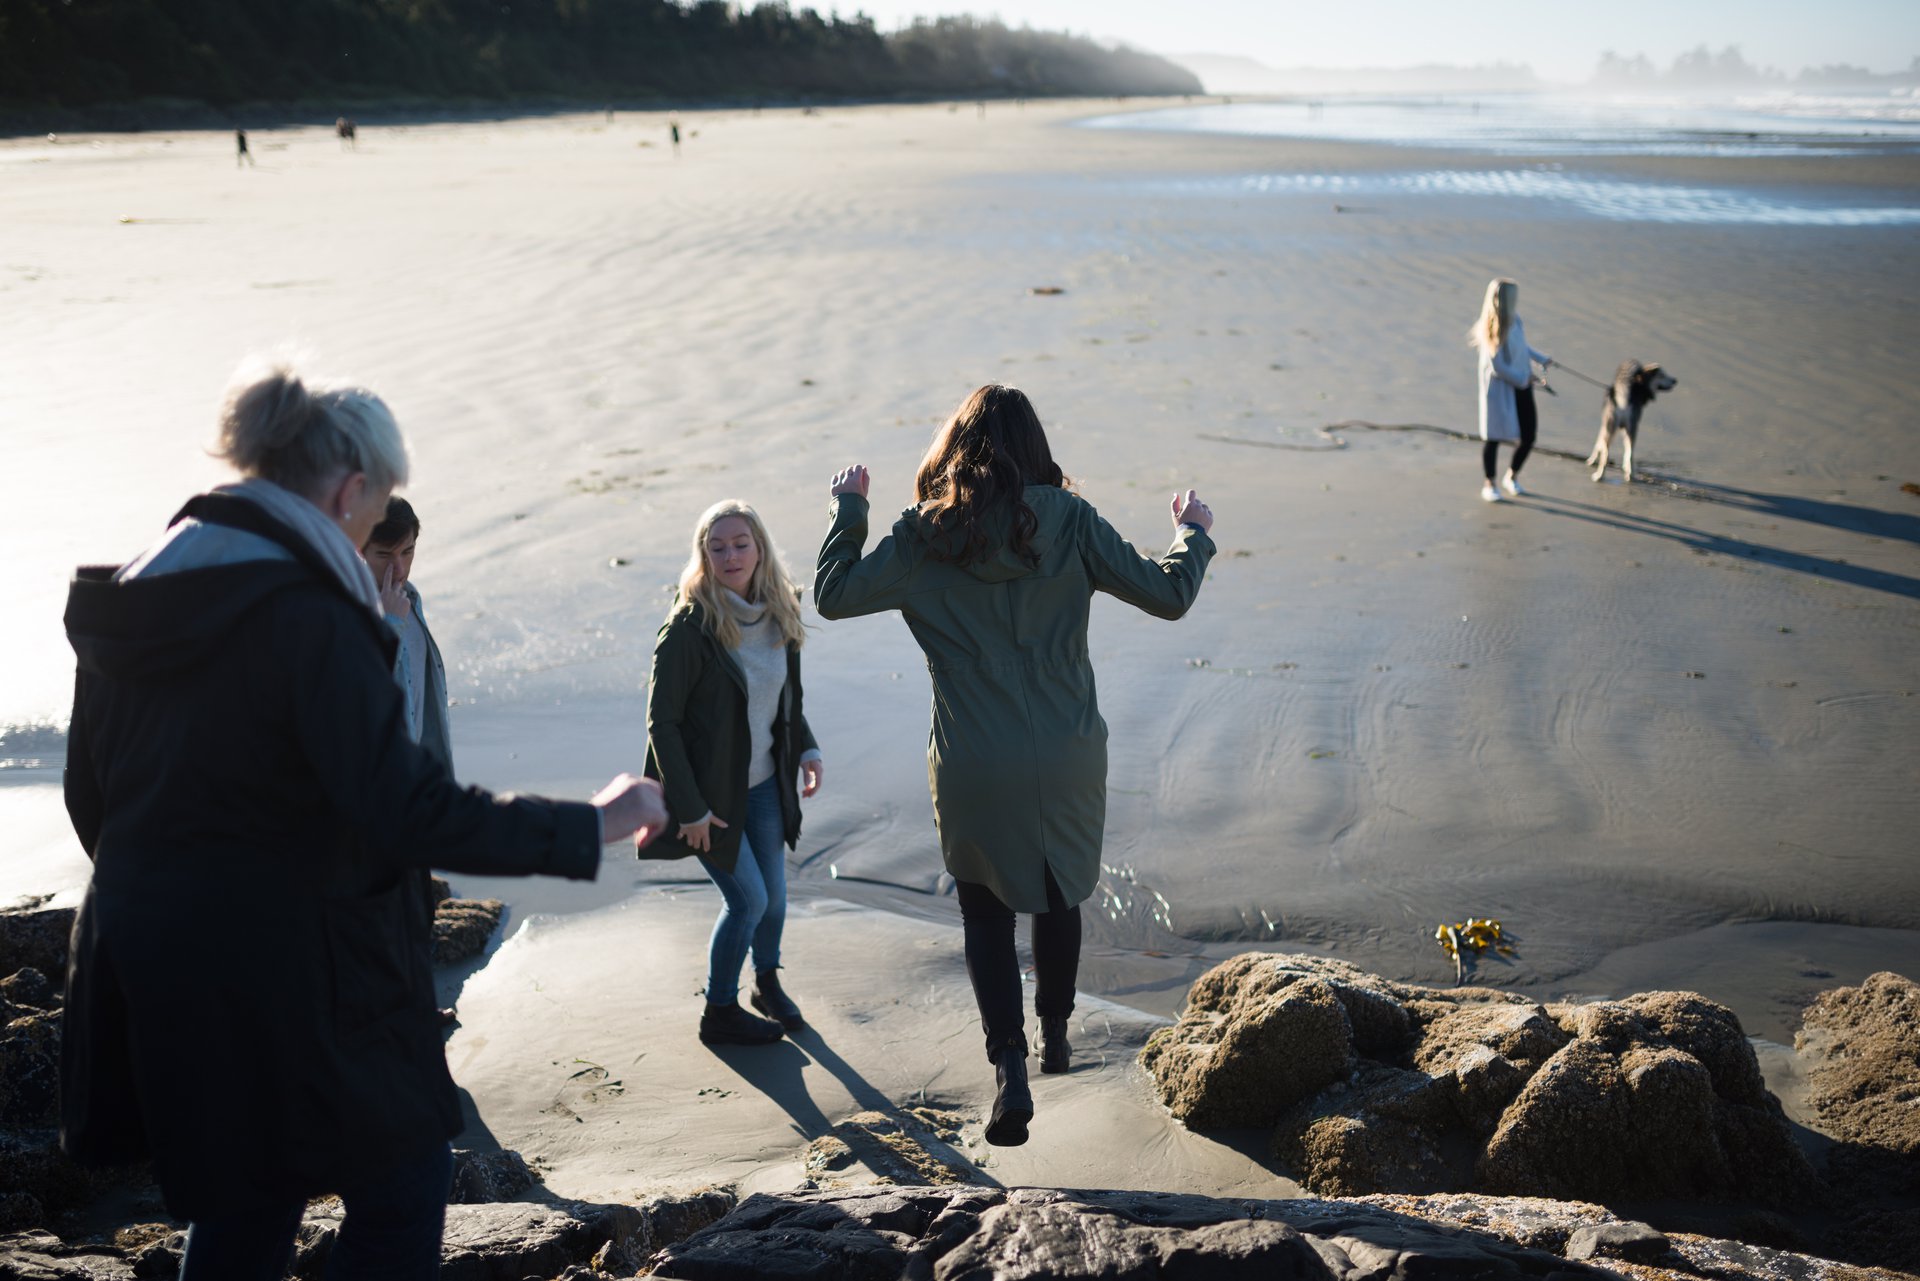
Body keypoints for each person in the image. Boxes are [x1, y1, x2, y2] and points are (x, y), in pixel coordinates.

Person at [60, 357, 668, 1281]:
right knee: (404, 1182)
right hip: (302, 972)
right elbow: (409, 807)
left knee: (244, 1198)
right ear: (350, 490)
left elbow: (90, 796)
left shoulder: (146, 588)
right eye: (377, 507)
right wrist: (593, 823)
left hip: (160, 965)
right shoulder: (308, 614)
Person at [813, 385, 1215, 1147]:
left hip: (973, 754)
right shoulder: (1070, 521)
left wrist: (850, 509)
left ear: (953, 447)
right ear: (1033, 445)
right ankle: (1056, 1031)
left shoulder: (924, 534)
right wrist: (1192, 533)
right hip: (1065, 746)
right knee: (1059, 889)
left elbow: (832, 595)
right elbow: (1168, 595)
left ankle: (1009, 1069)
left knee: (985, 910)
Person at [643, 500, 824, 1047]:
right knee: (748, 900)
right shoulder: (689, 628)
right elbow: (663, 724)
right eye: (716, 546)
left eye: (740, 543)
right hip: (709, 796)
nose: (729, 555)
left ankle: (765, 984)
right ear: (703, 555)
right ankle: (718, 1011)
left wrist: (808, 748)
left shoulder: (780, 608)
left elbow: (781, 697)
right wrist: (691, 809)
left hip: (767, 783)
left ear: (760, 547)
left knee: (774, 896)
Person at [361, 497, 457, 1024]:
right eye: (384, 554)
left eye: (409, 551)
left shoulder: (409, 598)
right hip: (377, 799)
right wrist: (387, 624)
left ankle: (418, 1007)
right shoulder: (354, 611)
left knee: (419, 907)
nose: (398, 566)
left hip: (417, 787)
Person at [1471, 277, 1551, 502]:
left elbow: (1522, 347)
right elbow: (1496, 366)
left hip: (1522, 382)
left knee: (1529, 435)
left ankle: (1511, 476)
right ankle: (1490, 483)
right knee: (1493, 436)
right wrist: (1522, 379)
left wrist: (1541, 359)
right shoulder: (1489, 325)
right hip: (1500, 389)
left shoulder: (1516, 319)